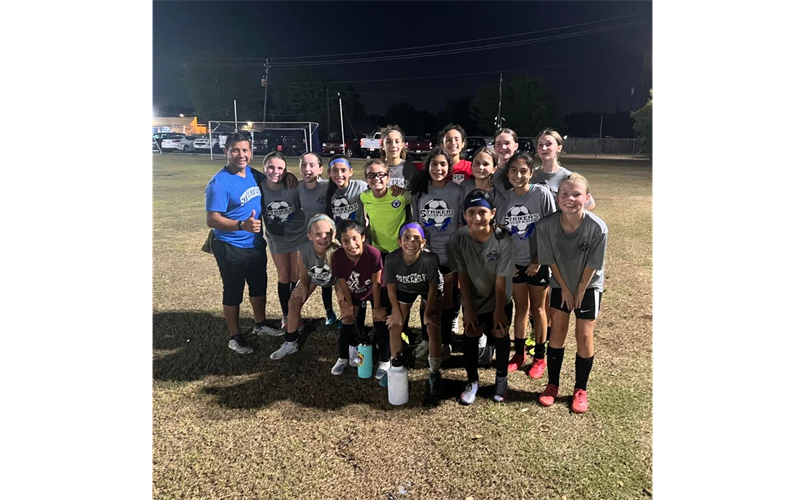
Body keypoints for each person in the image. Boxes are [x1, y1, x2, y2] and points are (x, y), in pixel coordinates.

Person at [536, 174, 608, 413]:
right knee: (557, 329)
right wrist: (565, 289)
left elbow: (593, 264)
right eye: (565, 194)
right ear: (557, 198)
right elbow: (550, 261)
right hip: (560, 283)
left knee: (584, 335)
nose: (570, 199)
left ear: (587, 198)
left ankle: (580, 388)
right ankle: (552, 384)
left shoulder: (597, 227)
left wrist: (579, 290)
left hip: (588, 284)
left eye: (577, 194)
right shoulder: (546, 226)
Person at [204, 131, 270, 355]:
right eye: (235, 150)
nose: (240, 155)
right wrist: (241, 225)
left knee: (259, 285)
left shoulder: (252, 173)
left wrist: (288, 177)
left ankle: (260, 324)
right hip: (230, 245)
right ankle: (235, 336)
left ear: (250, 152)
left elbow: (273, 180)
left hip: (255, 243)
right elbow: (212, 219)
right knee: (233, 291)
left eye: (245, 150)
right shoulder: (219, 183)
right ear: (226, 152)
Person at [448, 189, 514, 404]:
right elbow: (463, 275)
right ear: (464, 214)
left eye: (482, 212)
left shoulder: (502, 237)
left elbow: (501, 278)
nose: (477, 218)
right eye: (471, 212)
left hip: (499, 297)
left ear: (493, 213)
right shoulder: (457, 239)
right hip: (474, 297)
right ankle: (472, 380)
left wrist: (498, 310)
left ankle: (501, 379)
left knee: (501, 333)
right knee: (470, 334)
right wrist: (468, 309)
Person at [496, 151, 556, 378]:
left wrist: (538, 260)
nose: (518, 175)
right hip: (515, 264)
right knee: (521, 309)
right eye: (513, 170)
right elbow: (501, 232)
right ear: (508, 173)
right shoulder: (505, 198)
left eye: (523, 171)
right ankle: (519, 353)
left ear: (531, 173)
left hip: (537, 264)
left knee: (539, 309)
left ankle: (539, 357)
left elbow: (552, 229)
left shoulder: (541, 194)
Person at [409, 146, 465, 361]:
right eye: (434, 164)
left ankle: (444, 341)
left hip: (448, 253)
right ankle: (426, 338)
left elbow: (460, 222)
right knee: (427, 298)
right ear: (428, 166)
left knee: (447, 298)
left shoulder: (456, 191)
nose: (438, 168)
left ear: (449, 167)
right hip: (427, 254)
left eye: (443, 164)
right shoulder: (420, 191)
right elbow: (416, 224)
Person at [270, 214, 343, 360]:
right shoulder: (303, 250)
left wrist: (343, 296)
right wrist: (303, 286)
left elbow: (342, 277)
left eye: (327, 233)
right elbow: (303, 273)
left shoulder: (338, 251)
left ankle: (350, 343)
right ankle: (291, 342)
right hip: (314, 278)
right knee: (293, 302)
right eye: (317, 234)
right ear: (309, 236)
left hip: (336, 280)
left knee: (347, 305)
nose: (323, 238)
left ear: (334, 234)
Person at [384, 222, 444, 395]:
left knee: (432, 326)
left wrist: (427, 313)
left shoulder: (430, 258)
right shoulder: (391, 259)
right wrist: (396, 312)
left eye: (416, 238)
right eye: (407, 238)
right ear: (399, 242)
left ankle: (434, 371)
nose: (411, 242)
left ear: (423, 242)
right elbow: (390, 288)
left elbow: (433, 287)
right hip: (406, 288)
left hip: (429, 289)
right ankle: (396, 364)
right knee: (395, 325)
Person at [330, 220, 392, 380]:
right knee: (348, 320)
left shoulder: (373, 254)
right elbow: (342, 282)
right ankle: (343, 357)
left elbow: (376, 283)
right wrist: (349, 305)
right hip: (355, 291)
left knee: (379, 320)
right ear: (340, 242)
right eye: (345, 241)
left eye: (354, 238)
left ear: (363, 237)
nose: (351, 244)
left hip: (376, 291)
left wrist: (377, 307)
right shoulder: (337, 257)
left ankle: (385, 360)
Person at [258, 152, 308, 335]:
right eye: (271, 167)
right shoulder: (259, 187)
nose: (275, 171)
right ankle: (286, 315)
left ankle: (295, 313)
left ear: (286, 170)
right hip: (277, 239)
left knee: (296, 275)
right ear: (264, 168)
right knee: (284, 276)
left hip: (298, 236)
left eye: (280, 168)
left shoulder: (292, 186)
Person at [298, 152, 339, 326]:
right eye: (303, 165)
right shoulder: (295, 187)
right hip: (306, 241)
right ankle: (292, 315)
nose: (307, 169)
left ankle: (337, 314)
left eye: (312, 165)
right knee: (306, 277)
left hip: (327, 239)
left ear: (321, 169)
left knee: (331, 276)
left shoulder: (328, 186)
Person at [360, 159, 411, 260]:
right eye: (371, 175)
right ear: (366, 179)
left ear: (388, 178)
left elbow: (418, 197)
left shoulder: (400, 196)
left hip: (399, 248)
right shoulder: (364, 197)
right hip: (376, 249)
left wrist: (403, 190)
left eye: (381, 174)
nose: (376, 178)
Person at [532, 129, 596, 210]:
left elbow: (590, 204)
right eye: (540, 145)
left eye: (548, 144)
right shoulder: (530, 175)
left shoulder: (569, 177)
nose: (544, 148)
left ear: (559, 148)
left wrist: (569, 218)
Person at [380, 125, 418, 194]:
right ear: (382, 145)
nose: (393, 145)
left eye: (397, 142)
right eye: (388, 142)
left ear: (402, 145)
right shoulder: (377, 168)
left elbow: (416, 193)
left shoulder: (410, 167)